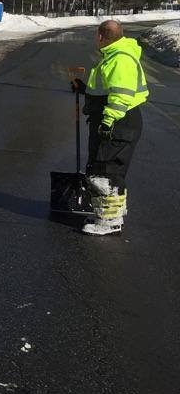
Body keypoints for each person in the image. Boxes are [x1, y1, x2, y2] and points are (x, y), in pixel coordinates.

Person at [71, 20, 149, 236]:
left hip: (119, 122)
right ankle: (108, 213)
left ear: (100, 36)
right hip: (117, 120)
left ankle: (109, 222)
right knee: (105, 169)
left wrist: (107, 122)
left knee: (107, 172)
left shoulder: (120, 59)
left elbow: (121, 95)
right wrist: (85, 89)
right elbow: (108, 90)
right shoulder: (114, 55)